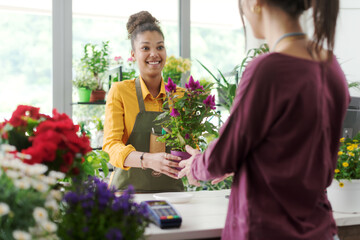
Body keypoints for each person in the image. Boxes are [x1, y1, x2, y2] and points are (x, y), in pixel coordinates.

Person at [179, 0, 348, 239]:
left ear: (254, 3)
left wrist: (196, 165)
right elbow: (290, 148)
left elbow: (223, 155)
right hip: (319, 230)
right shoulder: (331, 67)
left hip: (267, 230)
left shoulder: (268, 70)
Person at [103, 11, 183, 192]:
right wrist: (147, 160)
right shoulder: (120, 91)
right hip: (127, 196)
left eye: (160, 47)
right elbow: (111, 145)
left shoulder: (180, 96)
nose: (154, 54)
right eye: (145, 48)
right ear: (133, 54)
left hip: (173, 194)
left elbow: (190, 144)